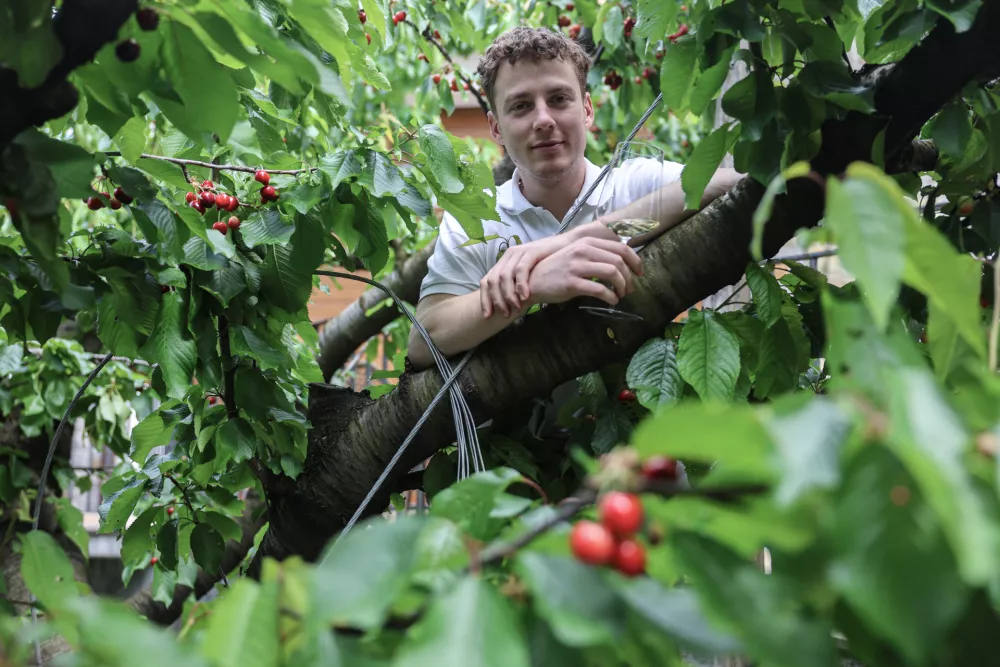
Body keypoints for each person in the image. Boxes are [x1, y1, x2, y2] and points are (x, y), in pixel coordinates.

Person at [408, 26, 742, 369]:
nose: (543, 119)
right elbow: (422, 343)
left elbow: (734, 184)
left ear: (586, 110)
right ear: (496, 129)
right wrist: (530, 286)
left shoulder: (636, 182)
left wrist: (551, 247)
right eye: (521, 106)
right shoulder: (475, 218)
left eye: (558, 99)